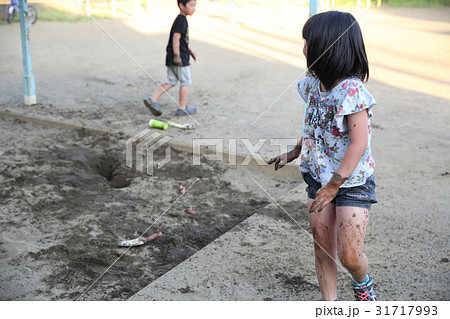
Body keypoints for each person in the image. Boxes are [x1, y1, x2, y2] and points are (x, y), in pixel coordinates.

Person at [268, 11, 378, 301]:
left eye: (308, 41)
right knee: (322, 248)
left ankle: (362, 282)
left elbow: (359, 144)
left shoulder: (352, 91)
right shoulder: (312, 86)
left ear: (327, 47)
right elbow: (315, 124)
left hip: (351, 182)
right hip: (318, 178)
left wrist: (334, 185)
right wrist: (296, 150)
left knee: (350, 256)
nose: (303, 48)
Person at [144, 0, 197, 116]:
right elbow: (176, 38)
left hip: (171, 57)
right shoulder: (181, 20)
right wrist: (177, 56)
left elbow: (183, 40)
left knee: (171, 81)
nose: (194, 8)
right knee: (185, 82)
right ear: (181, 6)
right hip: (179, 58)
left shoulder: (180, 20)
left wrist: (190, 50)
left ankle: (152, 99)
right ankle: (182, 108)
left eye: (195, 6)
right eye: (191, 6)